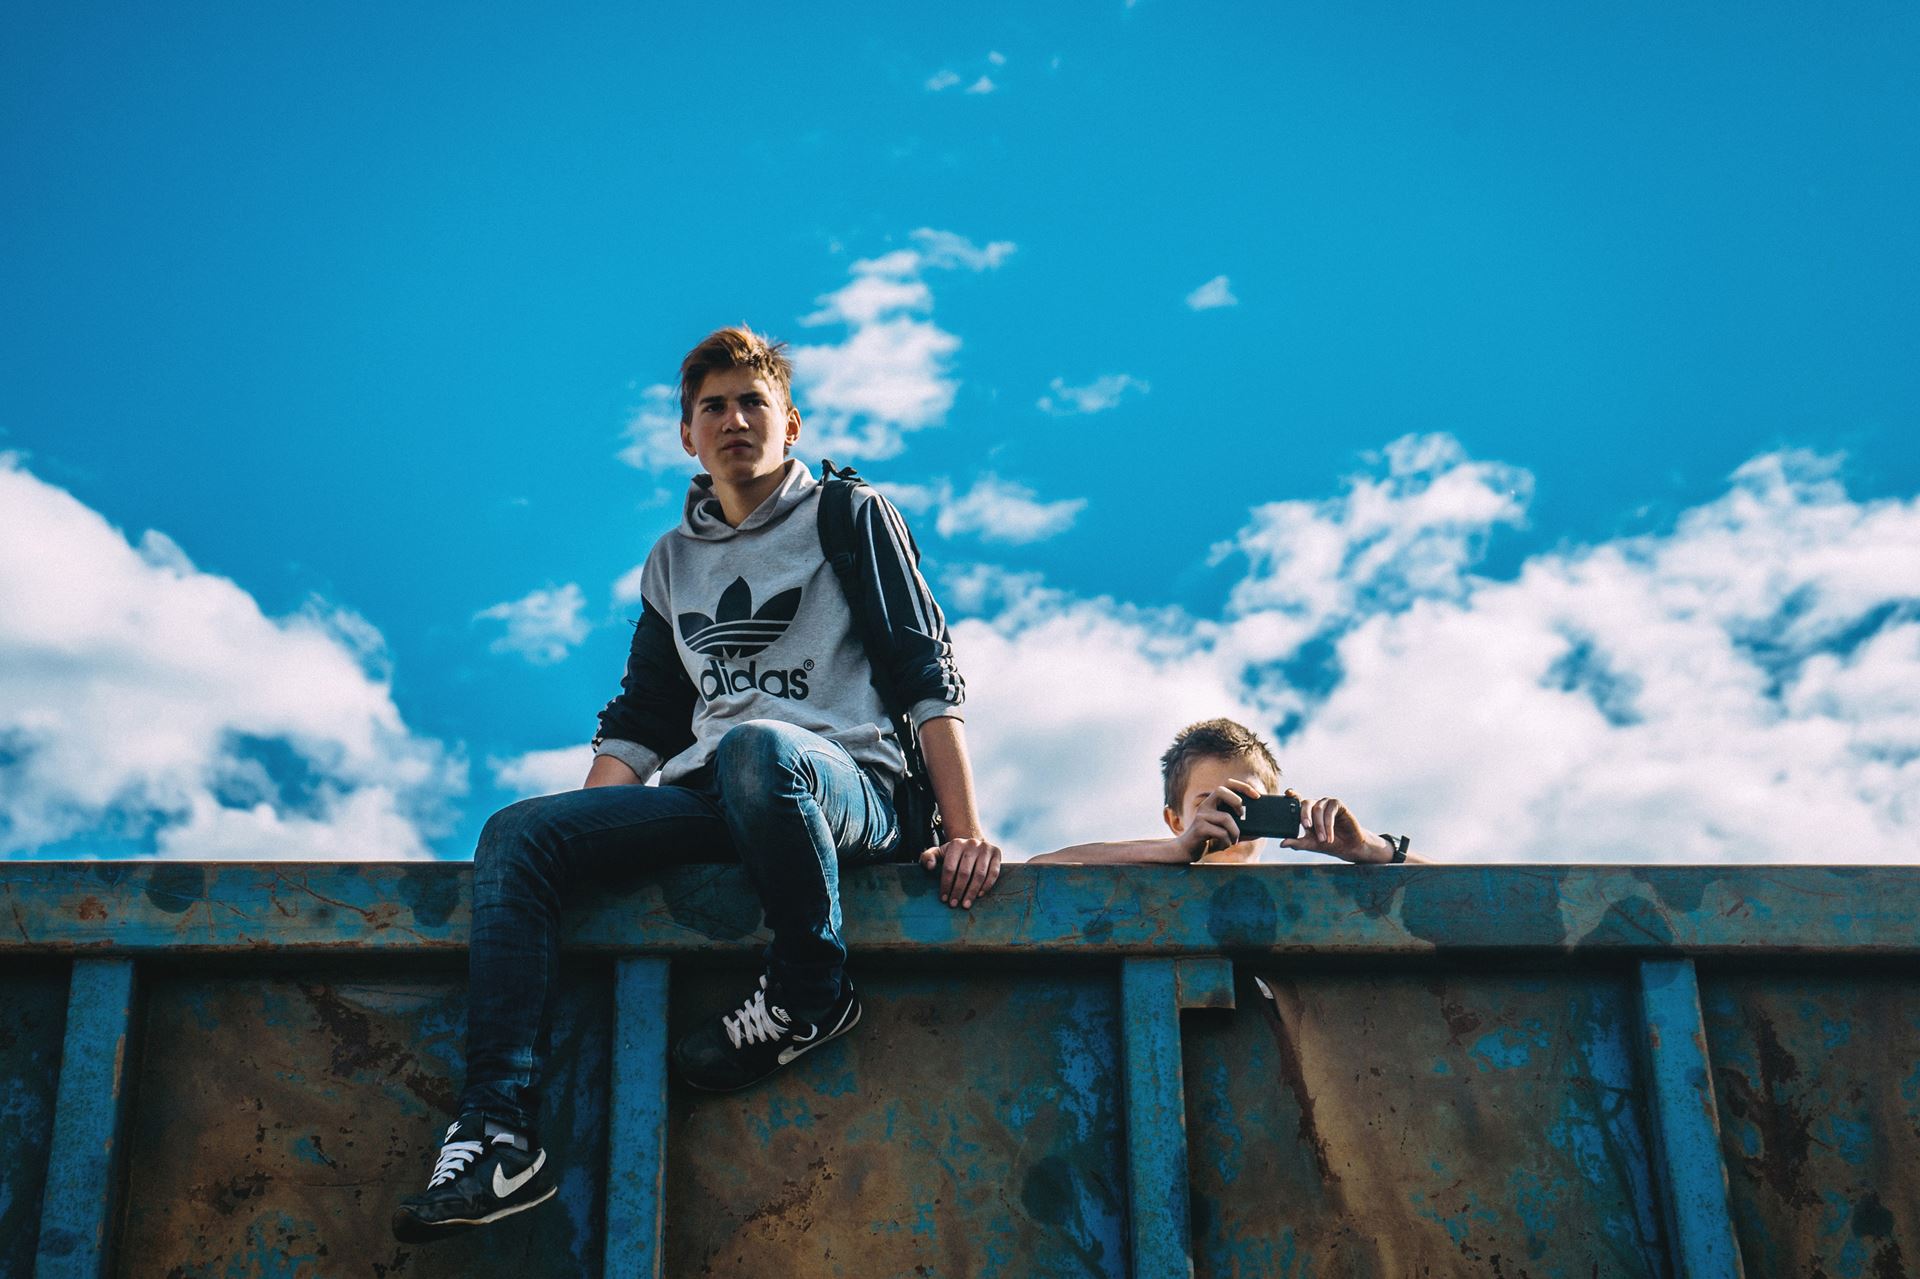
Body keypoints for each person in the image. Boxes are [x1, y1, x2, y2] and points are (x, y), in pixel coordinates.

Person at [394, 326, 1002, 1243]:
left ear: (789, 423)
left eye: (753, 402)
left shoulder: (850, 514)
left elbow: (925, 671)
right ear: (687, 434)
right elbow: (641, 719)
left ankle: (810, 988)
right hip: (721, 792)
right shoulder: (672, 561)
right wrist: (583, 825)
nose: (733, 420)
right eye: (712, 406)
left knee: (762, 748)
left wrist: (963, 827)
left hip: (844, 788)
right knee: (519, 833)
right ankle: (496, 1131)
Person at [1028, 717, 1422, 865]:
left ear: (1279, 807)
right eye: (1210, 803)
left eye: (1247, 801)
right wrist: (1177, 850)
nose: (1228, 815)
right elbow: (1041, 867)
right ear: (1174, 818)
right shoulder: (1151, 865)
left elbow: (1478, 901)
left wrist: (1373, 850)